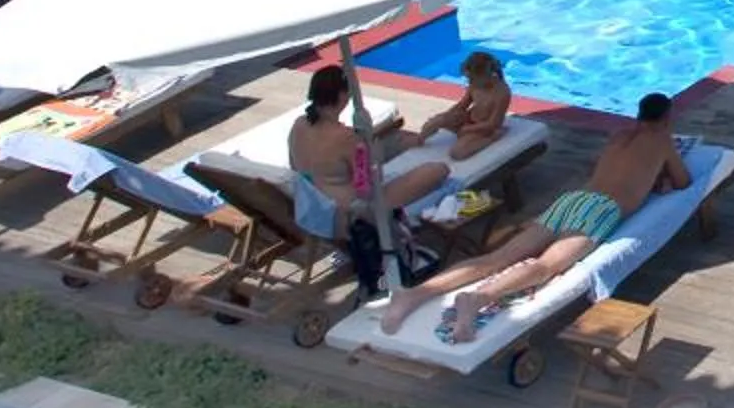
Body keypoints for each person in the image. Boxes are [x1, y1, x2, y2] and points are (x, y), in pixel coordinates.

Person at [379, 92, 692, 343]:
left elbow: (617, 169)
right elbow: (683, 182)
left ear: (638, 115)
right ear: (666, 119)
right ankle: (476, 299)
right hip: (601, 209)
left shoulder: (619, 136)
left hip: (572, 199)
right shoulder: (662, 141)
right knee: (546, 266)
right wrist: (662, 178)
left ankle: (413, 295)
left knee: (497, 258)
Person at [287, 64, 450, 295]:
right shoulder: (346, 138)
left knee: (397, 145)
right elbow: (368, 186)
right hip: (353, 216)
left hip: (313, 210)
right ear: (342, 96)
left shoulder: (298, 125)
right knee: (437, 170)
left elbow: (295, 166)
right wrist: (370, 149)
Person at [418, 51, 513, 160]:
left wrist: (468, 129)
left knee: (457, 153)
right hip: (469, 119)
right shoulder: (475, 84)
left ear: (486, 75)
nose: (470, 82)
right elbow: (462, 105)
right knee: (434, 122)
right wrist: (445, 117)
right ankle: (418, 140)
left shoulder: (502, 93)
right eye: (469, 79)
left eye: (472, 79)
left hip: (484, 128)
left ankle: (492, 138)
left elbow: (494, 123)